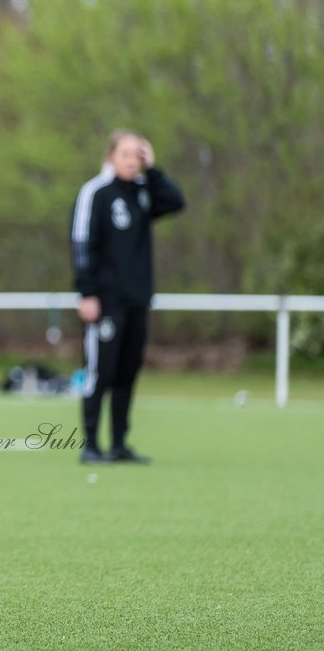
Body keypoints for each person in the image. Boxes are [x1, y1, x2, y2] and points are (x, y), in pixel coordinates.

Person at [70, 130, 185, 464]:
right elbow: (81, 244)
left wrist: (154, 170)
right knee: (100, 372)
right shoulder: (96, 193)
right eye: (126, 154)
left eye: (138, 155)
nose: (132, 160)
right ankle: (91, 445)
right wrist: (87, 292)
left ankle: (119, 444)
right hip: (105, 301)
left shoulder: (142, 192)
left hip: (137, 300)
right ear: (110, 157)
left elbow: (176, 202)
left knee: (127, 373)